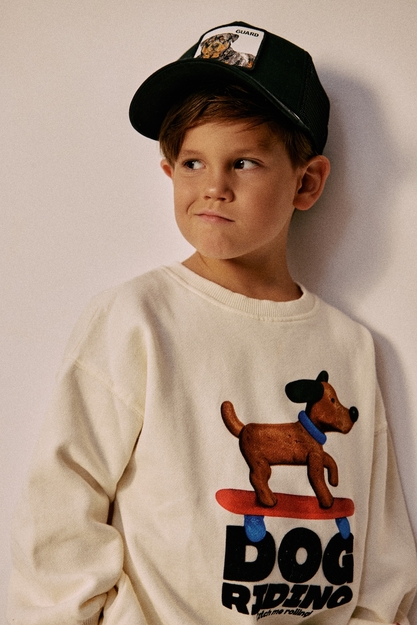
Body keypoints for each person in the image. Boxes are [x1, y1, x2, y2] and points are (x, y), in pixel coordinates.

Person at [7, 20, 417, 625]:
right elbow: (61, 509)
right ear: (169, 172)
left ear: (306, 182)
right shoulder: (137, 319)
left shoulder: (349, 347)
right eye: (193, 162)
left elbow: (384, 564)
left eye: (244, 162)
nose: (214, 188)